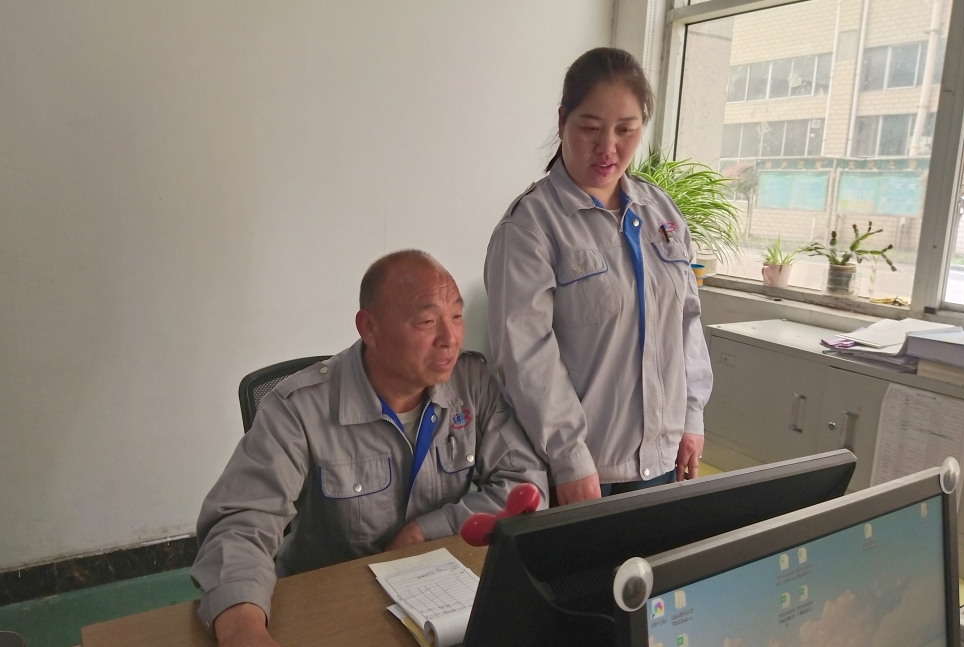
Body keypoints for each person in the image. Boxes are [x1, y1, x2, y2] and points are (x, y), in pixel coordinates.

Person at [192, 250, 548, 646]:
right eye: (427, 322)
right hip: (329, 601)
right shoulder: (299, 408)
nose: (450, 339)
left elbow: (525, 487)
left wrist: (423, 531)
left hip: (440, 590)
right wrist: (243, 629)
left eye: (457, 316)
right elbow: (241, 522)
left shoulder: (472, 382)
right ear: (370, 328)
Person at [484, 47, 713, 507]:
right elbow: (526, 355)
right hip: (583, 471)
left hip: (661, 460)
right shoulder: (531, 226)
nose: (608, 147)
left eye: (625, 130)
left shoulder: (660, 212)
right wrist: (569, 458)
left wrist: (691, 417)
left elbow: (686, 322)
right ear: (562, 121)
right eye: (590, 128)